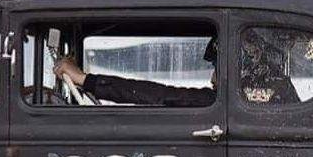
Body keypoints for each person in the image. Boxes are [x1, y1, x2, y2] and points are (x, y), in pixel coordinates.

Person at [54, 38, 219, 108]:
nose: (211, 79)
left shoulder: (214, 101)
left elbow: (160, 95)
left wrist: (84, 79)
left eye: (217, 67)